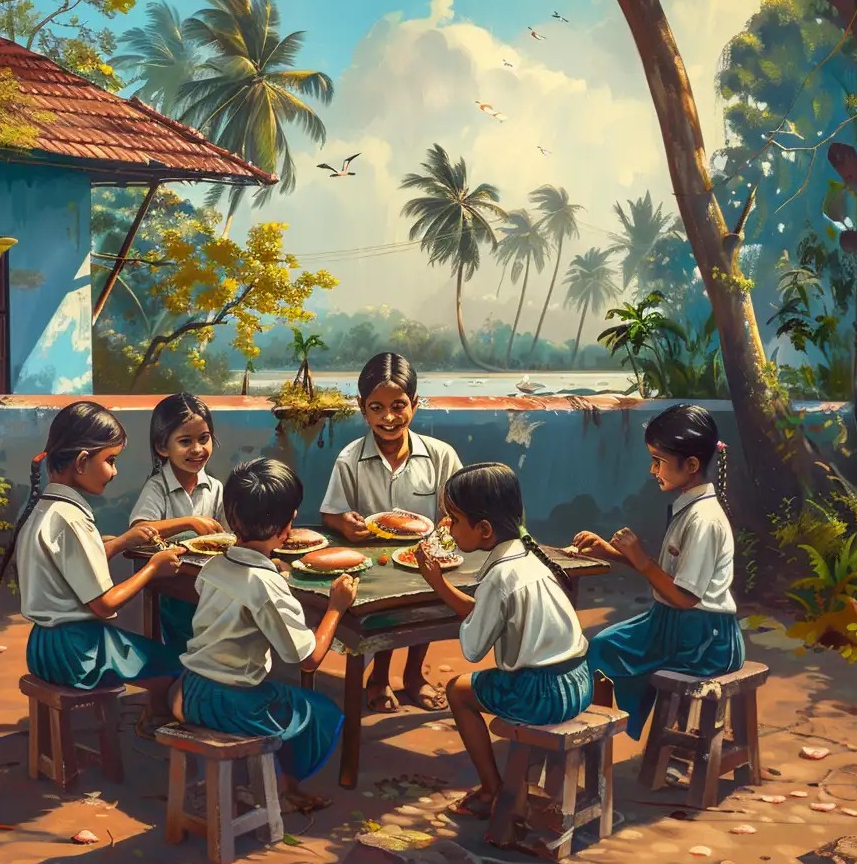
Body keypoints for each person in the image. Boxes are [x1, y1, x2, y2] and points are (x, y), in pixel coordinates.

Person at [409, 462, 591, 829]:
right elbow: (486, 613)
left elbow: (473, 649)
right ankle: (498, 788)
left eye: (454, 519)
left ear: (485, 529)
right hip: (577, 682)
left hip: (541, 694)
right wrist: (440, 584)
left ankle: (492, 788)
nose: (449, 526)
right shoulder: (530, 558)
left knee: (457, 690)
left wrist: (436, 583)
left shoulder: (499, 576)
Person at [178, 458, 351, 815]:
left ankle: (280, 786)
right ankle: (284, 788)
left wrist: (271, 572)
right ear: (286, 527)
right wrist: (336, 607)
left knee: (284, 697)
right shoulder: (268, 585)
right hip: (232, 702)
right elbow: (307, 658)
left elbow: (238, 589)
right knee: (319, 709)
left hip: (192, 689)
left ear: (230, 515)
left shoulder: (213, 564)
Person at [577, 404, 742, 740]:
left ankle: (599, 741)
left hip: (703, 638)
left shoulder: (704, 520)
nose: (653, 470)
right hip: (676, 625)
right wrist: (613, 554)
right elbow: (670, 577)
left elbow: (684, 597)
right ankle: (612, 735)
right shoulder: (689, 508)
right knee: (605, 644)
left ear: (692, 465)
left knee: (603, 649)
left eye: (659, 461)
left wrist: (641, 560)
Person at [319, 352, 463, 711]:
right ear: (361, 408)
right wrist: (345, 524)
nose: (388, 417)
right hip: (374, 562)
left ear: (414, 404)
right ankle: (379, 676)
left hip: (426, 561)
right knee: (382, 616)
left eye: (399, 406)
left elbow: (459, 510)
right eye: (377, 407)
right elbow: (330, 514)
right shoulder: (349, 459)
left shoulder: (441, 456)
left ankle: (414, 675)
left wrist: (447, 525)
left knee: (426, 611)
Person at [11, 399, 182, 691]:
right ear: (80, 462)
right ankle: (160, 723)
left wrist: (119, 544)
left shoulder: (45, 510)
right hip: (78, 652)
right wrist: (153, 567)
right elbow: (104, 604)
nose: (114, 472)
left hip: (42, 648)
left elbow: (70, 567)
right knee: (179, 666)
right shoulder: (73, 521)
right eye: (110, 461)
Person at [127, 392, 227, 656]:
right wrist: (190, 522)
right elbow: (139, 530)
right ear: (163, 447)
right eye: (185, 441)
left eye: (203, 439)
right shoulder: (157, 487)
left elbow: (227, 534)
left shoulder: (215, 487)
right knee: (184, 648)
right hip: (173, 585)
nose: (197, 449)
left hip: (211, 585)